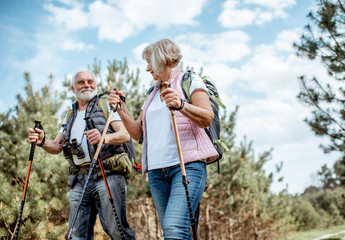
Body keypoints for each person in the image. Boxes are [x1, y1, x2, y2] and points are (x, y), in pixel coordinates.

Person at [108, 39, 219, 240]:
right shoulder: (152, 93)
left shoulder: (190, 79)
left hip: (187, 166)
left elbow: (207, 117)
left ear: (162, 59)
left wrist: (181, 105)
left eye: (149, 62)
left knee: (175, 228)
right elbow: (139, 133)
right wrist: (122, 110)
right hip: (157, 171)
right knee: (172, 231)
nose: (147, 68)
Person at [28, 70, 136, 240]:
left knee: (116, 231)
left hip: (107, 175)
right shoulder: (70, 114)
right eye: (81, 82)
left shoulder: (106, 105)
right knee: (77, 234)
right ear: (73, 88)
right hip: (79, 179)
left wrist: (103, 138)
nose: (86, 85)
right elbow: (57, 146)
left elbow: (125, 134)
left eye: (90, 81)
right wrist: (42, 142)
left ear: (96, 84)